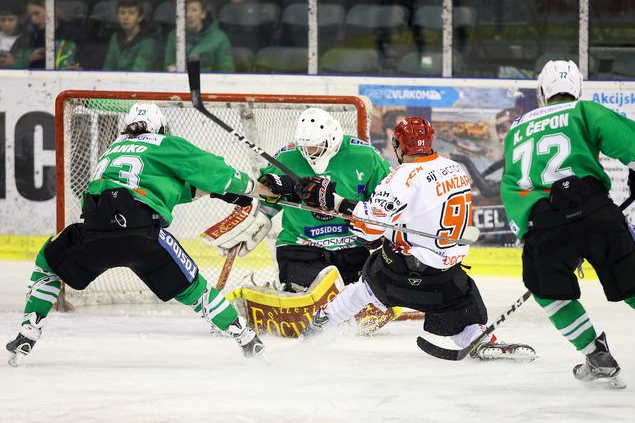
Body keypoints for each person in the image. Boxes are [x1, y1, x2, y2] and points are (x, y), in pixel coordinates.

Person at [6, 103, 271, 366]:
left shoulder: (113, 149)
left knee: (48, 265)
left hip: (94, 231)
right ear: (160, 128)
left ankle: (28, 331)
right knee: (195, 291)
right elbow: (215, 171)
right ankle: (247, 339)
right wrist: (253, 189)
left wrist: (213, 191)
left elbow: (159, 187)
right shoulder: (165, 144)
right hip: (142, 234)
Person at [298, 116, 535, 361]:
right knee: (459, 312)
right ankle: (481, 341)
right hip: (446, 275)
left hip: (400, 272)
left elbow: (369, 230)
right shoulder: (454, 168)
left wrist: (334, 201)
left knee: (366, 287)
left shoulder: (402, 177)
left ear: (399, 145)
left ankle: (319, 326)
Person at [501, 60, 635, 387]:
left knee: (548, 293)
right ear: (578, 89)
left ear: (542, 92)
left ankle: (596, 357)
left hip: (544, 223)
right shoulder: (583, 110)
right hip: (596, 212)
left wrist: (531, 230)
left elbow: (510, 184)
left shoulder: (517, 128)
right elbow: (628, 144)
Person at [212, 107, 392, 292]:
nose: (309, 151)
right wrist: (256, 222)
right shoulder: (286, 157)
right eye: (305, 146)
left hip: (351, 248)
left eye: (315, 145)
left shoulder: (365, 156)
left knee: (353, 304)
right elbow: (265, 201)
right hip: (299, 247)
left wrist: (380, 233)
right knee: (305, 301)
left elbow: (388, 201)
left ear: (331, 138)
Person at [164, 0, 235, 72]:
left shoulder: (220, 38)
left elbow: (226, 72)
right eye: (185, 10)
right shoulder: (174, 36)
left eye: (194, 10)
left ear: (203, 13)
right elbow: (167, 68)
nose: (189, 15)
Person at [102, 0, 162, 71]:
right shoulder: (115, 37)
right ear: (117, 16)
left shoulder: (149, 42)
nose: (126, 17)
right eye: (122, 13)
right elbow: (108, 67)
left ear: (140, 17)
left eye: (131, 13)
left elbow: (138, 73)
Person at [0, 0, 31, 69]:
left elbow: (30, 62)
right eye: (3, 20)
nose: (6, 24)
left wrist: (16, 62)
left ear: (19, 20)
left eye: (11, 20)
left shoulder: (27, 40)